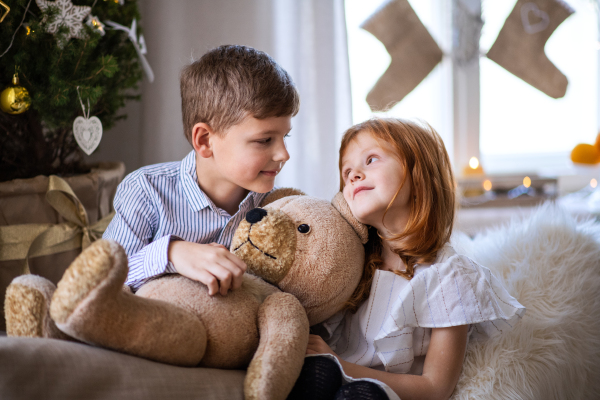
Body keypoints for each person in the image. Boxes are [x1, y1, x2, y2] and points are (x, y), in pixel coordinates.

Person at [288, 118, 525, 400]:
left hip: (387, 393)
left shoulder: (449, 275)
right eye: (347, 171)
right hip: (330, 376)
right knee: (312, 376)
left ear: (418, 173)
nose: (353, 175)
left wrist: (341, 365)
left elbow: (436, 388)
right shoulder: (351, 263)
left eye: (371, 159)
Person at [103, 45, 299, 296]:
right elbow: (102, 278)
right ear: (205, 140)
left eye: (285, 136)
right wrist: (172, 253)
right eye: (264, 140)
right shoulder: (146, 190)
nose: (284, 154)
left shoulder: (278, 206)